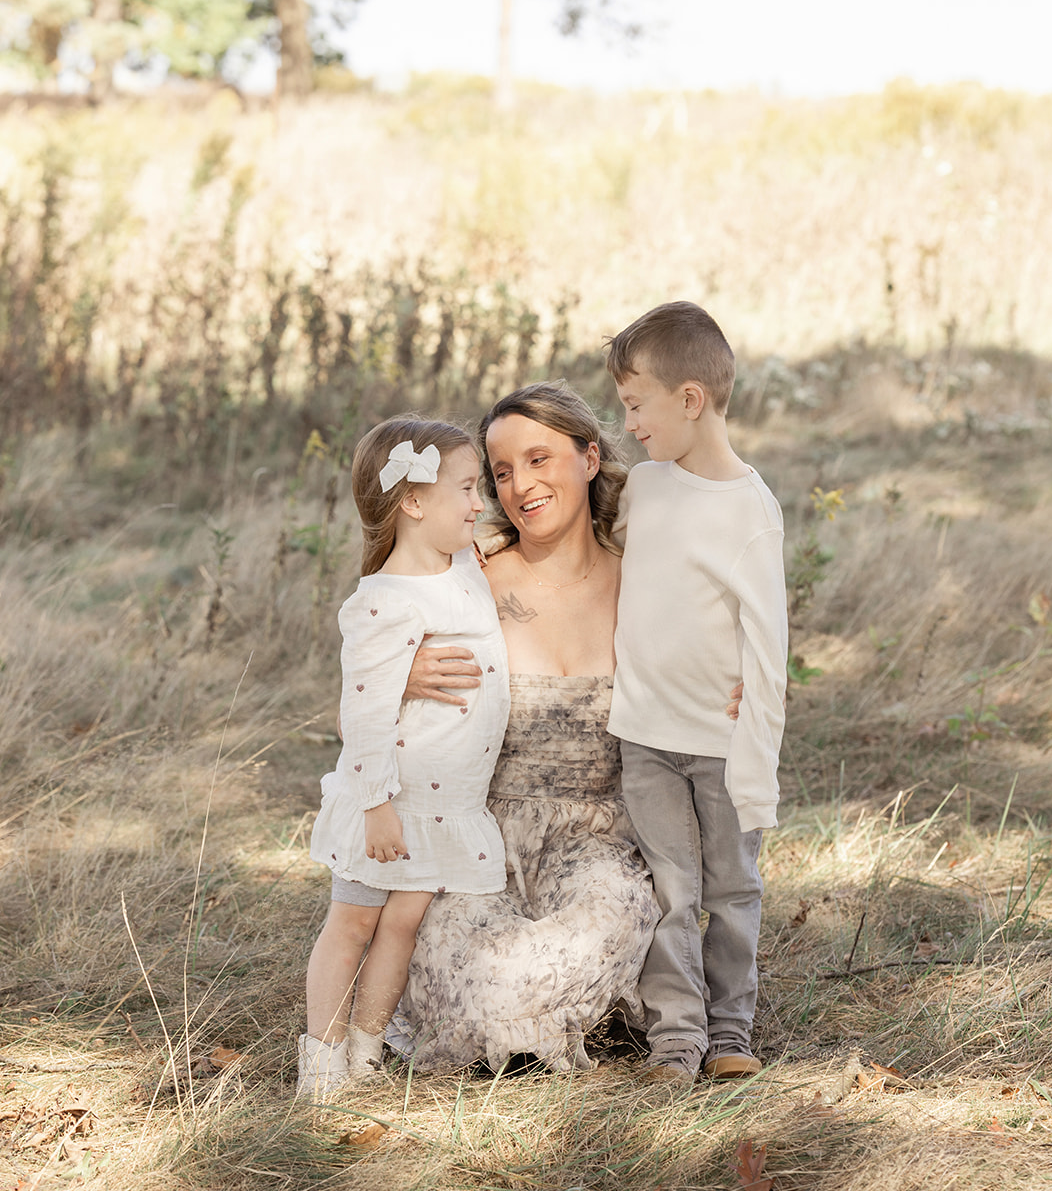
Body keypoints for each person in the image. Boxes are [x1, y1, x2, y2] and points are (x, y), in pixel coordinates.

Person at [388, 383, 662, 1073]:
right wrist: (403, 670)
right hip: (480, 836)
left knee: (593, 927)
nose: (521, 486)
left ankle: (565, 1018)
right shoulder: (466, 579)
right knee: (472, 970)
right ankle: (517, 1028)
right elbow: (371, 670)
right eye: (502, 471)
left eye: (539, 460)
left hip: (600, 838)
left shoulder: (647, 582)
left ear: (590, 457)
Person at [297, 416, 510, 1100]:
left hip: (444, 805)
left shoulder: (464, 564)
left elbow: (502, 536)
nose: (480, 503)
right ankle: (322, 1066)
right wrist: (376, 805)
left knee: (404, 924)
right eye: (468, 488)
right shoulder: (384, 602)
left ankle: (366, 1051)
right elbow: (362, 718)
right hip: (388, 803)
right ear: (413, 501)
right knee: (354, 922)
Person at [606, 301, 788, 1086]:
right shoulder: (644, 486)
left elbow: (769, 648)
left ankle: (731, 1029)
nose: (631, 424)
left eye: (635, 405)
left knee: (732, 889)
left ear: (689, 398)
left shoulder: (749, 510)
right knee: (669, 892)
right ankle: (676, 1039)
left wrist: (757, 764)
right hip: (643, 733)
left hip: (719, 742)